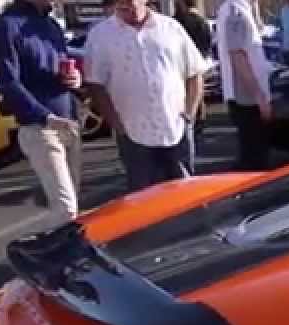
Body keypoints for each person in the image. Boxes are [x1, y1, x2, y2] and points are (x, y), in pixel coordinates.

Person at [85, 0, 209, 192]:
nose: (129, 8)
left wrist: (189, 114)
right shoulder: (100, 35)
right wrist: (116, 124)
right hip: (133, 132)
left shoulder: (170, 28)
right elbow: (95, 84)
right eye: (123, 4)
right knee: (142, 195)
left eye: (133, 3)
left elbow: (194, 72)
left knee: (185, 192)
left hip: (175, 128)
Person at [0, 0, 83, 228]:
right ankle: (58, 250)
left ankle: (62, 244)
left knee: (70, 203)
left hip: (68, 122)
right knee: (66, 209)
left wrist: (74, 79)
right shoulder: (7, 25)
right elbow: (9, 82)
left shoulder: (51, 24)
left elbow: (60, 68)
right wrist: (44, 116)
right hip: (40, 128)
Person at [217, 0, 273, 169]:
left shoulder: (242, 9)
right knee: (254, 160)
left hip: (247, 97)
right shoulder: (235, 11)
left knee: (254, 156)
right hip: (246, 99)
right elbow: (237, 56)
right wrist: (259, 96)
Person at [174, 0, 212, 139]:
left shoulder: (178, 23)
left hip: (181, 68)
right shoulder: (203, 22)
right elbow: (207, 46)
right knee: (198, 97)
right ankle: (197, 126)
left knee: (185, 100)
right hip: (200, 65)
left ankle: (188, 128)